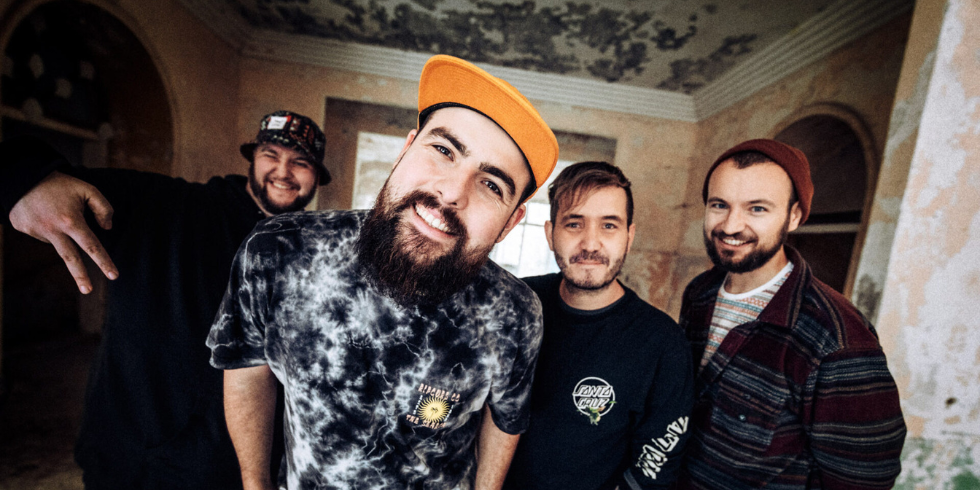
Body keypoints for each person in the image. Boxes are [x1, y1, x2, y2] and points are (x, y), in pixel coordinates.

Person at [206, 54, 559, 490]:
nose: (451, 192)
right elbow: (247, 369)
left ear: (510, 221)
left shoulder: (515, 313)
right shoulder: (278, 252)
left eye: (491, 184)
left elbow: (505, 421)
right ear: (406, 148)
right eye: (443, 151)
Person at [0, 110, 329, 489]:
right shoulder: (171, 207)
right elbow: (23, 168)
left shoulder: (314, 252)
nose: (283, 171)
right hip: (133, 460)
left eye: (301, 162)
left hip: (232, 469)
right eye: (271, 154)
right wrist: (24, 185)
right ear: (252, 158)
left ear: (317, 176)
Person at [676, 139, 907, 489]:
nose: (731, 225)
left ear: (794, 216)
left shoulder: (837, 339)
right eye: (719, 205)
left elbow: (864, 479)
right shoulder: (700, 292)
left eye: (757, 209)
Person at [504, 161, 694, 490]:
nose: (591, 244)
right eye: (574, 224)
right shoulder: (512, 302)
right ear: (550, 234)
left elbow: (654, 468)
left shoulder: (664, 344)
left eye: (609, 226)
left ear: (629, 236)